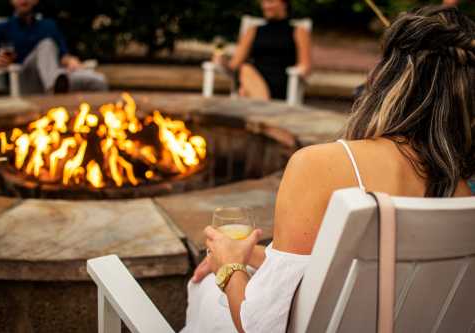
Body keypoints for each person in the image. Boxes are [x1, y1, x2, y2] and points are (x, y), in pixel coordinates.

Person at [183, 6, 474, 332]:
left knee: (205, 286)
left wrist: (230, 266)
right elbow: (367, 284)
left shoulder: (319, 166)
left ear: (388, 79)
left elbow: (259, 326)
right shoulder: (462, 195)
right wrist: (255, 257)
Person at [0, 0, 107, 94]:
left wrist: (71, 61)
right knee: (47, 44)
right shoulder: (0, 29)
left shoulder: (48, 25)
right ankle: (54, 86)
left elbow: (64, 56)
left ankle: (101, 124)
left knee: (98, 80)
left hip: (59, 76)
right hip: (24, 80)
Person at [214, 0, 311, 101]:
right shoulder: (253, 31)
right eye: (264, 2)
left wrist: (301, 71)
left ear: (284, 3)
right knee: (245, 69)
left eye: (271, 2)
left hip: (282, 81)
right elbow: (234, 64)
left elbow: (305, 65)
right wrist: (221, 61)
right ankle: (263, 106)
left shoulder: (299, 32)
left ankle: (260, 104)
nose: (266, 6)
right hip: (253, 77)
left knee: (244, 91)